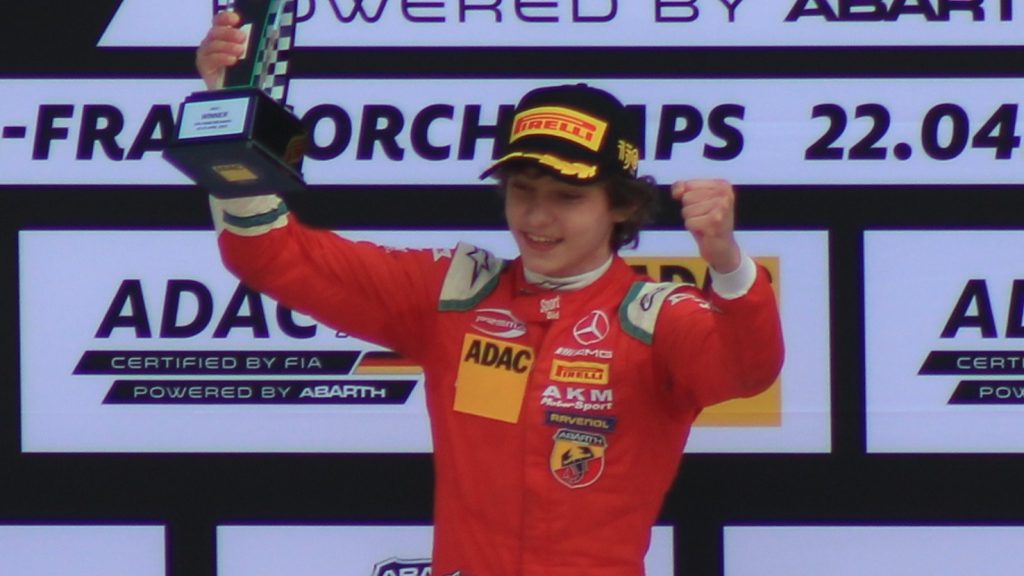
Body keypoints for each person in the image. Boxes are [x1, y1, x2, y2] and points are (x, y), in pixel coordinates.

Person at [197, 11, 784, 576]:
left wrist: (727, 262)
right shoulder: (455, 293)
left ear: (624, 205)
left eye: (568, 196)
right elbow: (273, 255)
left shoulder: (654, 319)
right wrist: (227, 116)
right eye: (522, 188)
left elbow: (744, 371)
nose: (536, 215)